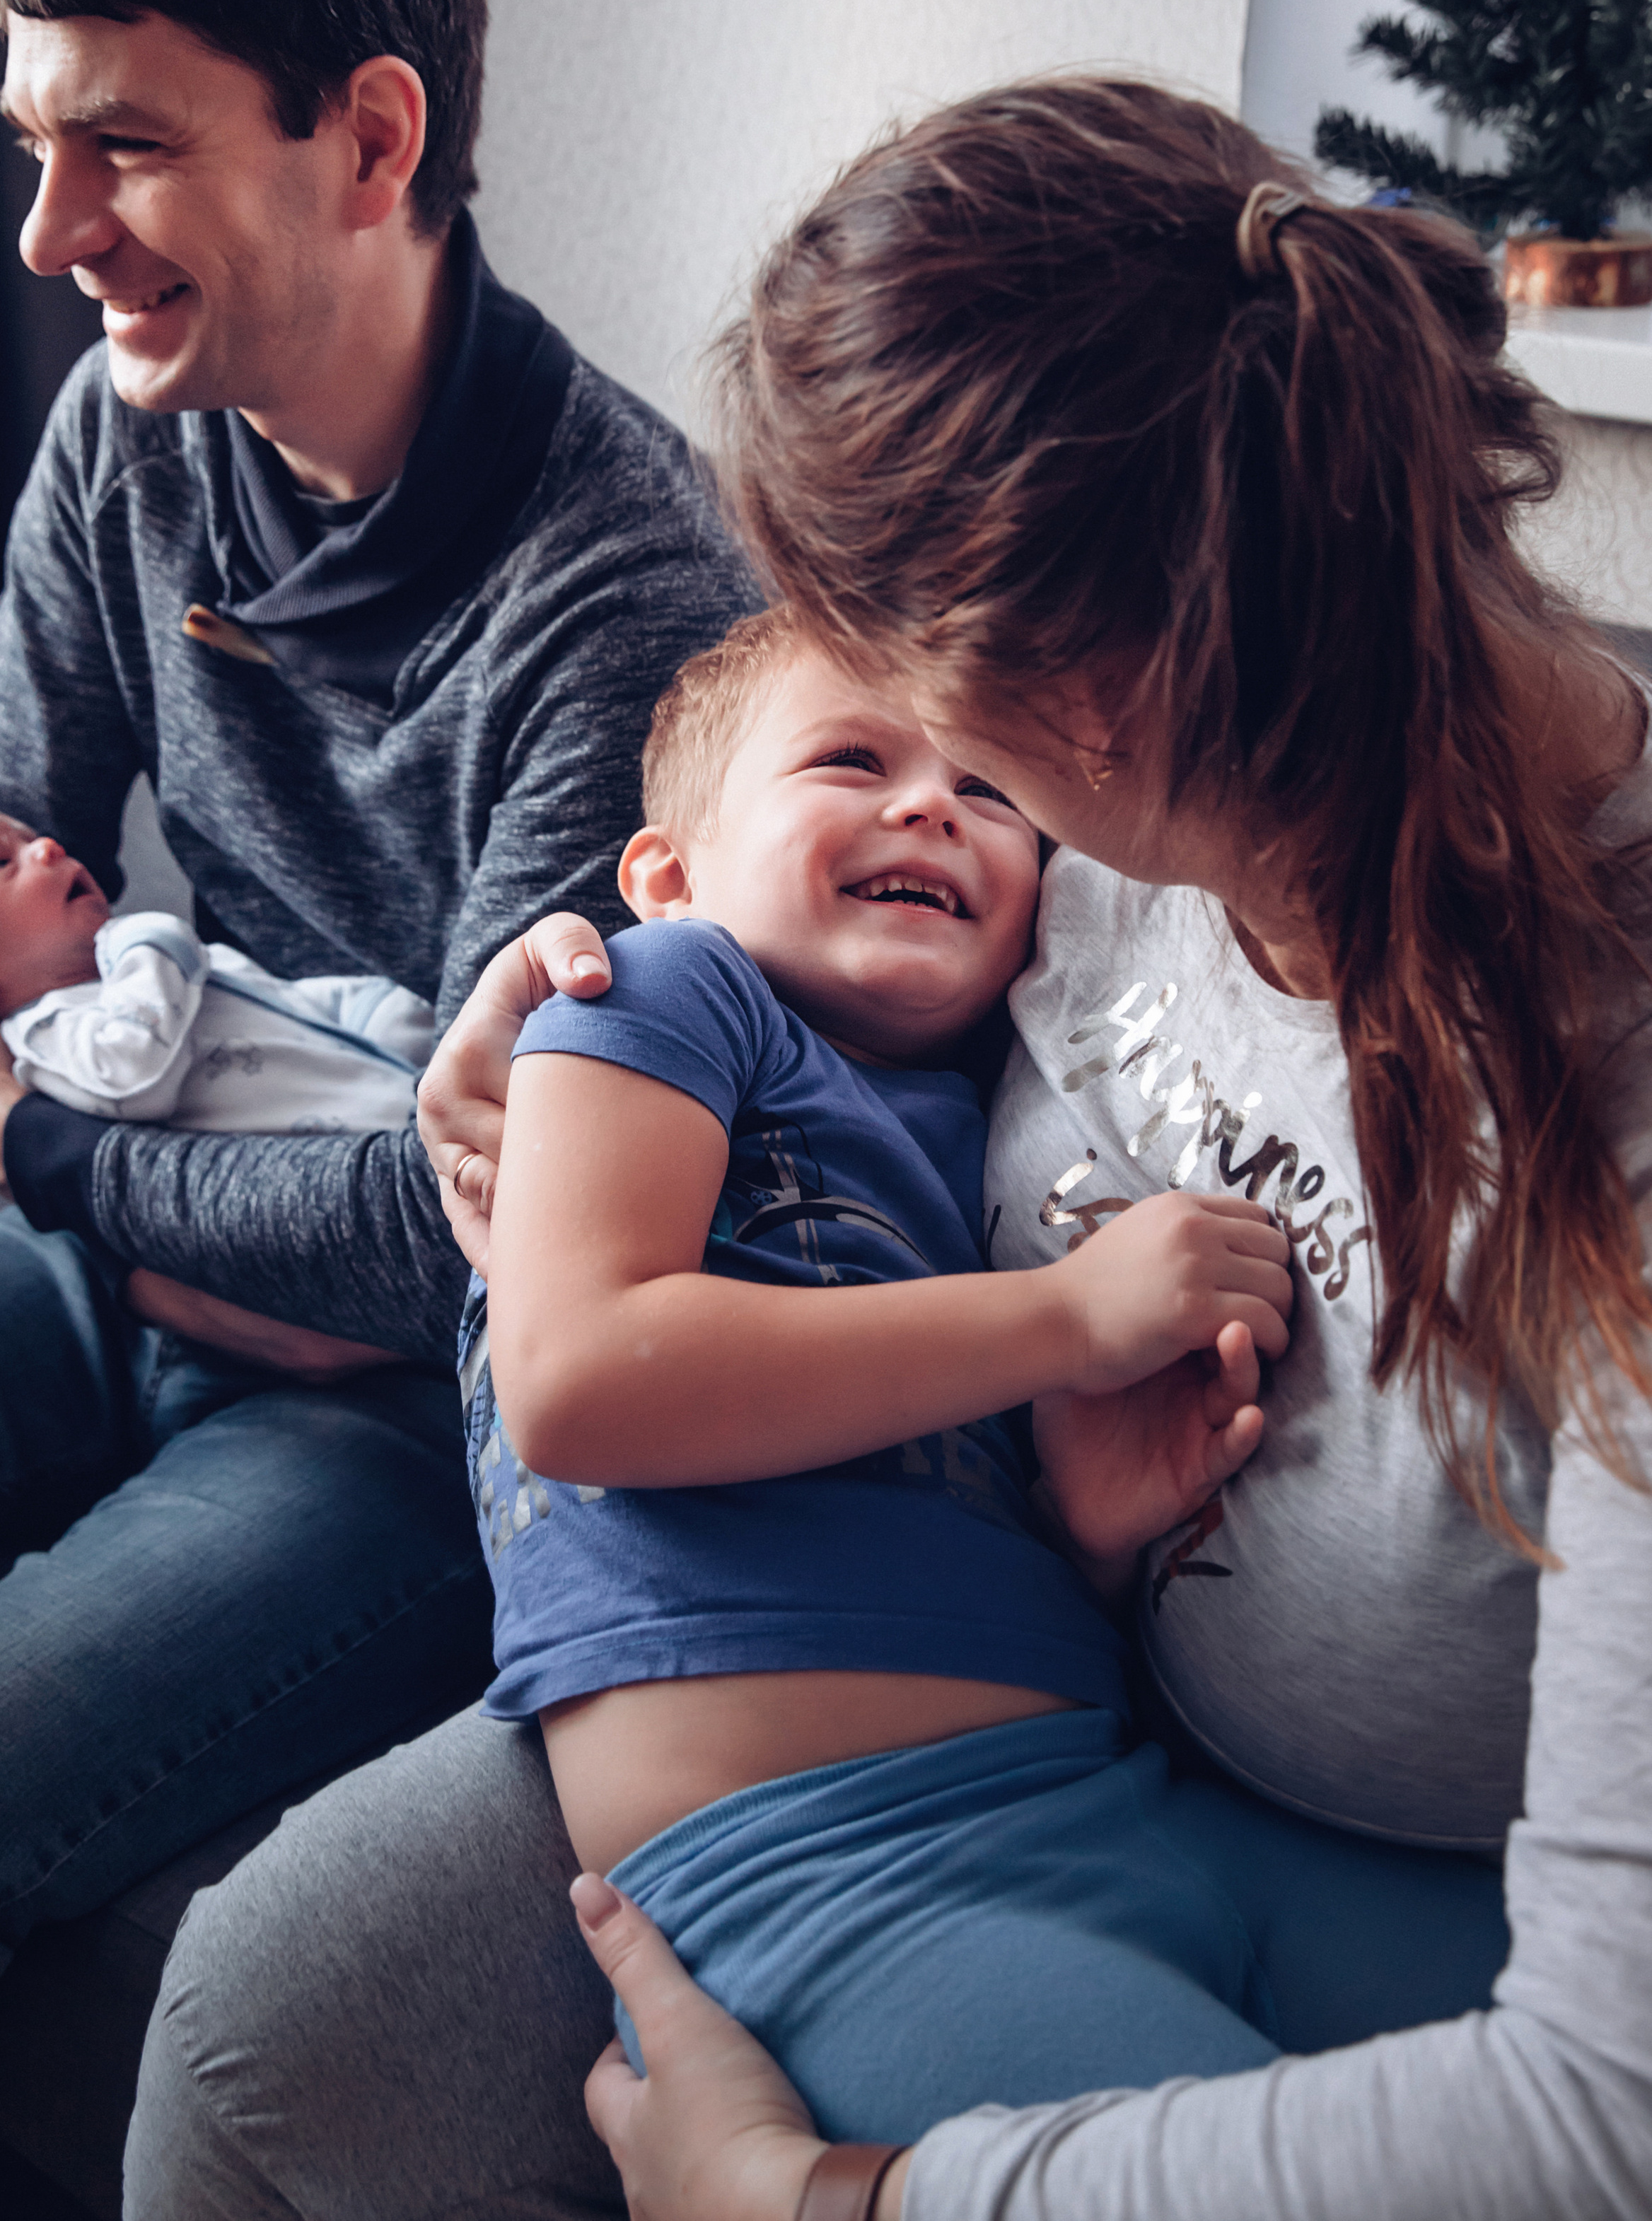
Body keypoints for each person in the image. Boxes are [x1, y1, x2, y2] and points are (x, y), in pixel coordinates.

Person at [123, 76, 1652, 2221]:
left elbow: (1601, 2113)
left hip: (1335, 1850)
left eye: (951, 740)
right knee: (272, 2025)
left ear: (1085, 697)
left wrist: (818, 2197)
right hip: (955, 1719)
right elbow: (755, 1034)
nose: (934, 802)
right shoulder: (1117, 818)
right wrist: (550, 1015)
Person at [0, 0, 756, 2159]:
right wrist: (89, 1174)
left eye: (122, 148)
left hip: (396, 1435)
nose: (47, 231)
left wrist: (42, 1148)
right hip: (130, 1247)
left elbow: (462, 1250)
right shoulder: (124, 438)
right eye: (34, 143)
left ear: (368, 139)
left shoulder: (629, 600)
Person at [467, 603, 1512, 2146]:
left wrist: (1081, 1537)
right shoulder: (665, 991)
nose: (930, 806)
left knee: (1579, 2054)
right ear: (667, 873)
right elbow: (576, 1381)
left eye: (986, 790)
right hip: (843, 1876)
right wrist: (1070, 1318)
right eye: (851, 760)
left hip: (1122, 1797)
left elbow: (897, 1483)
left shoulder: (974, 1110)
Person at [0, 803, 436, 1126]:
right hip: (351, 1151)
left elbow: (292, 1005)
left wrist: (380, 1007)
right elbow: (131, 1078)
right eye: (1, 864)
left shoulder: (146, 971)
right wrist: (153, 947)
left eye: (29, 837)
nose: (47, 847)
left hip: (402, 1098)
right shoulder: (49, 1034)